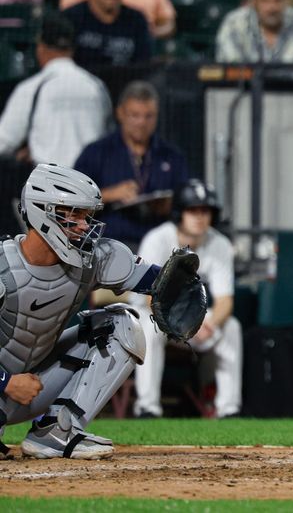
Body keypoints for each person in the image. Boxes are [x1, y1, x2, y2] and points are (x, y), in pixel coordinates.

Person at [0, 163, 205, 459]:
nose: (84, 225)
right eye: (73, 214)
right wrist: (7, 382)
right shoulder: (4, 267)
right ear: (41, 212)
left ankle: (56, 431)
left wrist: (181, 285)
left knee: (122, 325)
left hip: (31, 385)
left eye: (87, 216)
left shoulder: (92, 260)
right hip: (9, 384)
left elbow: (160, 281)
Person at [132, 180, 242, 419]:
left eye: (205, 211)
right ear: (180, 213)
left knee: (231, 326)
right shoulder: (158, 239)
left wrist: (208, 324)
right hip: (153, 314)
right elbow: (151, 296)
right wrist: (181, 326)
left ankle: (228, 409)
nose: (200, 217)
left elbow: (225, 300)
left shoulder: (219, 243)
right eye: (193, 211)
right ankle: (147, 407)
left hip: (193, 318)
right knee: (148, 329)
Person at [74, 80, 188, 249]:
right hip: (108, 246)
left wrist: (171, 205)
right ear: (120, 113)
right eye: (134, 115)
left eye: (148, 116)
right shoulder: (97, 152)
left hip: (160, 247)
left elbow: (187, 198)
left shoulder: (171, 156)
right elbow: (73, 200)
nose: (142, 122)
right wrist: (108, 194)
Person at [0, 13, 111, 168]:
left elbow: (3, 142)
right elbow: (109, 137)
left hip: (47, 186)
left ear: (41, 48)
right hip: (90, 184)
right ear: (71, 49)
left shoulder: (31, 88)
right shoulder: (96, 86)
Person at [61, 0, 153, 68]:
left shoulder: (136, 20)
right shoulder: (71, 17)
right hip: (82, 81)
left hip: (124, 81)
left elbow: (143, 65)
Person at [59, 0, 176, 38]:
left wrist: (146, 34)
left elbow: (168, 21)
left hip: (136, 43)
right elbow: (67, 21)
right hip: (90, 42)